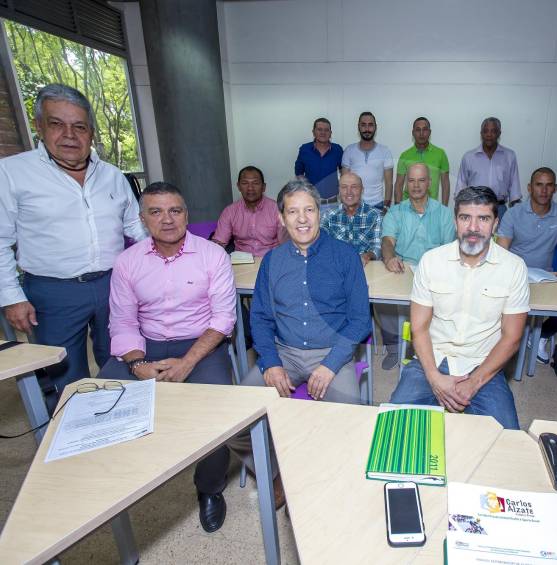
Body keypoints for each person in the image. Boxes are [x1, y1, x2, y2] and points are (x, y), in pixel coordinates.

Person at [98, 182, 237, 533]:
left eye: (175, 210)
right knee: (99, 402)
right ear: (143, 219)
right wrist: (136, 363)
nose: (168, 219)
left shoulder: (213, 255)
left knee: (220, 414)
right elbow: (123, 321)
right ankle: (111, 488)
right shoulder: (128, 262)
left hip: (201, 344)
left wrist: (189, 361)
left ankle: (209, 488)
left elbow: (223, 319)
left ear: (186, 215)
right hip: (146, 344)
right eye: (156, 212)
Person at [0, 83, 147, 404]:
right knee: (62, 373)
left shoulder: (112, 176)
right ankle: (69, 442)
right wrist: (11, 297)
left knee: (123, 359)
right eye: (57, 124)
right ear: (40, 126)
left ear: (91, 133)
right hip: (53, 291)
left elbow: (137, 229)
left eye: (79, 126)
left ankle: (121, 425)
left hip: (114, 283)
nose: (69, 135)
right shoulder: (12, 173)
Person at [389, 186, 529, 430]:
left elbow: (512, 338)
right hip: (432, 359)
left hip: (483, 365)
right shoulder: (431, 261)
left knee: (507, 439)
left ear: (495, 224)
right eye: (466, 218)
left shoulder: (514, 267)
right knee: (394, 428)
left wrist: (473, 383)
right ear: (455, 221)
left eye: (483, 219)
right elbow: (419, 328)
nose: (473, 228)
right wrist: (434, 378)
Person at [251, 179, 371, 404]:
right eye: (293, 211)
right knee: (235, 411)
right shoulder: (272, 261)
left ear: (320, 213)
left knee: (351, 423)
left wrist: (330, 365)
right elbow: (260, 318)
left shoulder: (346, 256)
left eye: (309, 210)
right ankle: (273, 441)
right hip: (284, 353)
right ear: (281, 218)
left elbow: (361, 320)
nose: (302, 219)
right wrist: (271, 362)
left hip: (333, 352)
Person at [497, 167, 557, 363]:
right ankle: (515, 333)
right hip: (514, 276)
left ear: (555, 189)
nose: (543, 190)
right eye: (539, 185)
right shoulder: (513, 214)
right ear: (529, 188)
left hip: (546, 278)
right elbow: (501, 251)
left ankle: (541, 334)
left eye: (549, 185)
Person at [379, 163, 455, 370]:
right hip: (403, 267)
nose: (416, 185)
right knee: (382, 302)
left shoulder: (445, 214)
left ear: (429, 183)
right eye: (411, 180)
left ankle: (423, 349)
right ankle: (395, 347)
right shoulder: (395, 212)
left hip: (435, 270)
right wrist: (389, 258)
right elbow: (387, 242)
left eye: (421, 180)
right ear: (406, 185)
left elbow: (449, 250)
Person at [212, 165, 286, 258]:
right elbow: (219, 244)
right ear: (238, 186)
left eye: (255, 183)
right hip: (241, 263)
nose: (250, 188)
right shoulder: (229, 212)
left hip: (271, 261)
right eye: (245, 183)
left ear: (263, 187)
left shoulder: (277, 209)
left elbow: (286, 245)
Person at [455, 117, 521, 219]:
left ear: (499, 133)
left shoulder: (509, 156)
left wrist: (516, 216)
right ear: (481, 133)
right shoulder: (469, 157)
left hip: (500, 210)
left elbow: (515, 190)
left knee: (500, 236)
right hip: (474, 209)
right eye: (486, 131)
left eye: (493, 131)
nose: (489, 135)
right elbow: (461, 187)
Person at [320, 172, 382, 266]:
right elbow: (320, 243)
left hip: (366, 267)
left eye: (354, 187)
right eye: (344, 187)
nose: (349, 192)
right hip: (336, 267)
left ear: (362, 190)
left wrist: (366, 256)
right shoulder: (328, 216)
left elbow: (377, 247)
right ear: (339, 190)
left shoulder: (374, 215)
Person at [341, 112, 393, 210]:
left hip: (377, 205)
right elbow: (344, 182)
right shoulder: (349, 150)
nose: (367, 129)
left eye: (370, 125)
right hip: (354, 205)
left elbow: (389, 183)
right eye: (363, 125)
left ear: (375, 127)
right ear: (358, 127)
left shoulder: (385, 151)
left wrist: (386, 207)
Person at [393, 117, 450, 205]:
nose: (421, 133)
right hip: (407, 208)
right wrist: (398, 209)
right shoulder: (404, 156)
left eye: (425, 130)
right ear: (413, 133)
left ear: (430, 132)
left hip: (431, 208)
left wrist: (444, 209)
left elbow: (445, 184)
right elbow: (398, 185)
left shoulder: (440, 154)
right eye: (418, 130)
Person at [294, 117, 343, 209]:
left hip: (332, 203)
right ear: (313, 132)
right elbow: (299, 174)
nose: (323, 133)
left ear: (330, 133)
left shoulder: (338, 150)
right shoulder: (305, 149)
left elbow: (343, 172)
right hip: (310, 203)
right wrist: (306, 191)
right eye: (319, 129)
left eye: (326, 130)